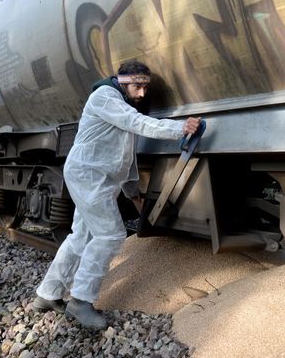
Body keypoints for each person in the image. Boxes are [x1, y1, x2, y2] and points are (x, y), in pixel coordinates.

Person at [32, 60, 201, 329]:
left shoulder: (121, 101)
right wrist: (180, 128)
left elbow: (125, 153)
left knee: (81, 237)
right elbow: (136, 124)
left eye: (146, 87)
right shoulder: (105, 97)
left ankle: (47, 294)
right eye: (138, 86)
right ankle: (80, 302)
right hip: (89, 175)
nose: (143, 93)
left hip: (95, 177)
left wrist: (132, 190)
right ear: (122, 82)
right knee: (110, 235)